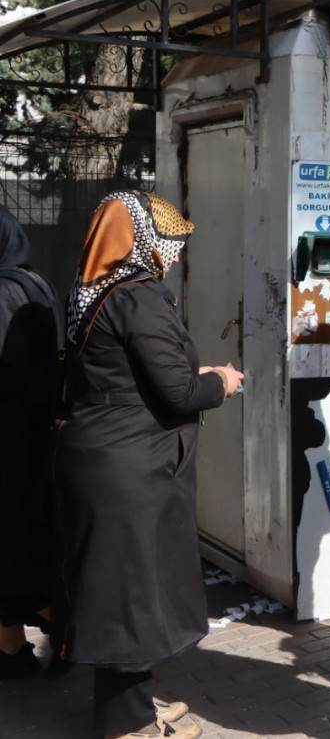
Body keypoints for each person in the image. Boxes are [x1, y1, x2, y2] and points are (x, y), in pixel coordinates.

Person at [56, 190, 243, 739]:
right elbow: (181, 393)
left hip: (103, 453)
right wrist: (221, 381)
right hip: (130, 466)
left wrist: (191, 375)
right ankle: (128, 723)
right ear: (141, 240)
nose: (176, 254)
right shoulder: (140, 295)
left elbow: (126, 372)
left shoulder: (93, 290)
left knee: (122, 586)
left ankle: (135, 705)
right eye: (169, 242)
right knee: (130, 592)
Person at [0, 205, 62, 678]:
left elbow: (8, 371)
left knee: (17, 548)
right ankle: (12, 648)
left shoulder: (4, 291)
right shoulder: (32, 282)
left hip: (13, 440)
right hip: (30, 434)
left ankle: (65, 632)